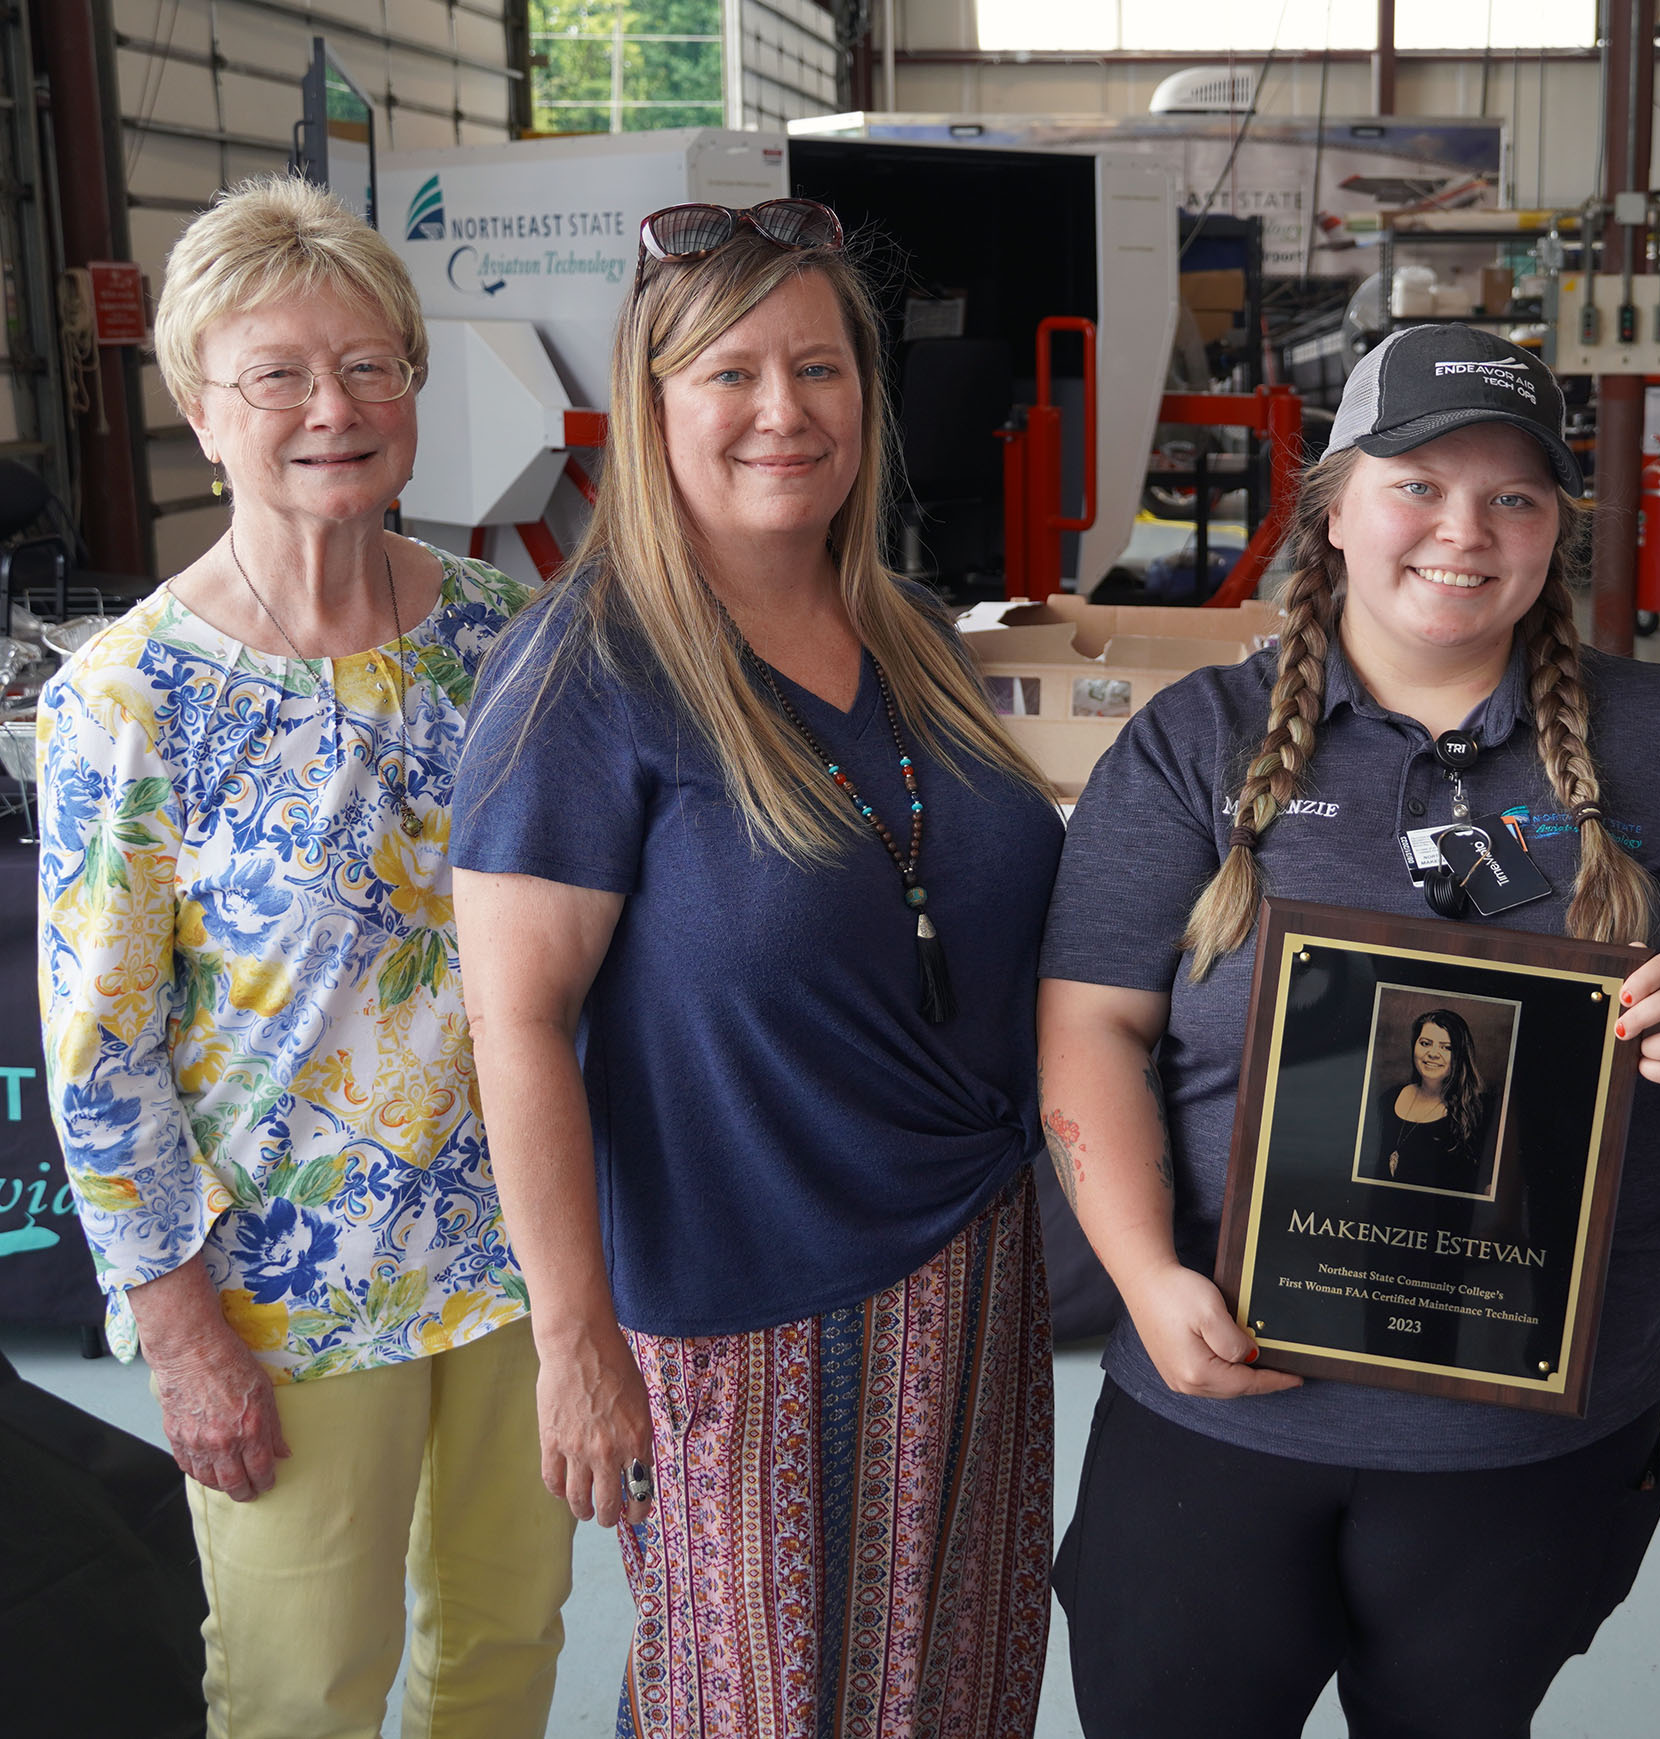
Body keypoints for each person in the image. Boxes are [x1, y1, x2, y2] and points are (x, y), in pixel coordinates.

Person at [1037, 324, 1660, 1738]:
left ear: (1553, 533)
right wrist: (1146, 1276)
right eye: (1417, 482)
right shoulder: (1193, 742)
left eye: (1514, 497)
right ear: (1334, 505)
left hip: (1523, 1431)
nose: (1464, 532)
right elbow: (1091, 1019)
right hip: (1218, 1407)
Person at [450, 199, 1062, 1738]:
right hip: (744, 1300)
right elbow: (513, 1019)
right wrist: (573, 1340)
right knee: (760, 1701)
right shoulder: (587, 666)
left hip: (973, 1278)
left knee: (952, 1690)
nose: (783, 411)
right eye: (729, 373)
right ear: (650, 408)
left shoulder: (912, 632)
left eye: (820, 369)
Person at [36, 175, 572, 1737]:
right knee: (301, 1687)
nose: (332, 407)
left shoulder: (503, 633)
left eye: (370, 365)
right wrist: (184, 1333)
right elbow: (99, 1051)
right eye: (276, 373)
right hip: (282, 1295)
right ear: (201, 410)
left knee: (503, 1646)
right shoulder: (132, 696)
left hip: (512, 1262)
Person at [1358, 1008, 1494, 1194]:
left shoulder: (1482, 1110)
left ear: (1460, 1055)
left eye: (1446, 1047)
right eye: (1425, 1043)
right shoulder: (1388, 1098)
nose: (1433, 1053)